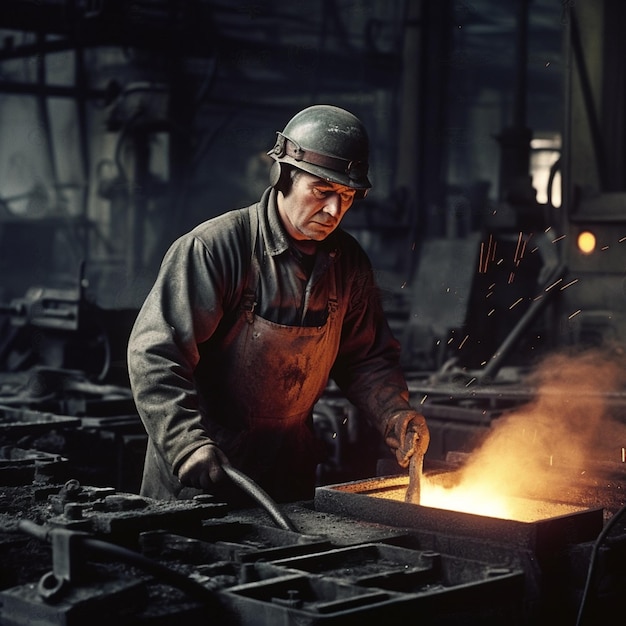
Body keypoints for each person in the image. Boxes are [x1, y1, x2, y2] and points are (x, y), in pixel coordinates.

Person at [127, 104, 429, 503]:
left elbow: (366, 359)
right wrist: (186, 443)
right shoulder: (217, 248)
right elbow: (155, 355)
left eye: (347, 196)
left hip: (287, 478)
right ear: (284, 176)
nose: (335, 210)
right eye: (322, 192)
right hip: (204, 476)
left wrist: (393, 412)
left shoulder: (348, 262)